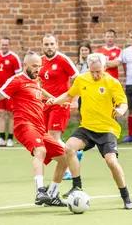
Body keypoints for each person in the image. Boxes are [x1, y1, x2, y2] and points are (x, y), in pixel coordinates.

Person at [0, 51, 67, 207]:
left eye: (39, 66)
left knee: (65, 158)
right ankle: (40, 191)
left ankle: (52, 195)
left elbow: (41, 92)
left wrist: (55, 100)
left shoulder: (36, 80)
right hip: (24, 125)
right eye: (34, 66)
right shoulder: (16, 80)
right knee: (41, 151)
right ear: (25, 65)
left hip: (40, 128)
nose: (37, 69)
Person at [51, 53, 132, 210]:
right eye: (92, 71)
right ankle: (77, 186)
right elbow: (70, 95)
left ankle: (126, 196)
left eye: (98, 71)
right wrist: (55, 100)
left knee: (111, 161)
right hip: (87, 128)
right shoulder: (82, 79)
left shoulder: (112, 82)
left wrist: (121, 110)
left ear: (104, 67)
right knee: (69, 147)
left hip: (107, 130)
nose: (95, 75)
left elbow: (123, 103)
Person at [38, 34, 80, 180]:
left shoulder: (63, 60)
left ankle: (68, 165)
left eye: (51, 44)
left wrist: (72, 98)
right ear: (42, 46)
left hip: (60, 103)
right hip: (46, 104)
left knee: (54, 137)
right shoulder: (40, 61)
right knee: (46, 138)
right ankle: (72, 154)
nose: (49, 47)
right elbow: (38, 82)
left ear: (57, 44)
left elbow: (78, 78)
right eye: (46, 44)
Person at [0, 36, 22, 147]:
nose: (4, 46)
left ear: (9, 45)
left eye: (6, 44)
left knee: (11, 114)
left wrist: (15, 90)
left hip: (10, 91)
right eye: (2, 44)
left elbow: (18, 75)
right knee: (0, 113)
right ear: (0, 44)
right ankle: (1, 138)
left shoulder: (14, 58)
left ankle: (10, 138)